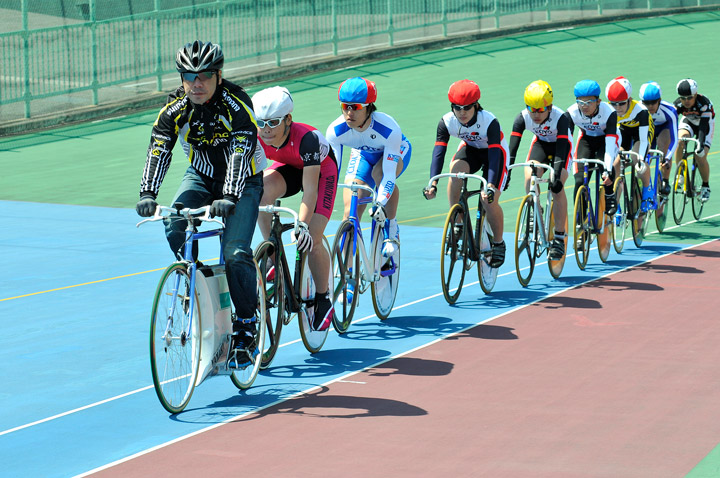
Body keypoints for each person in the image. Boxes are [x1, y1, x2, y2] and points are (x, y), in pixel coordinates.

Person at [136, 41, 266, 367]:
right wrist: (147, 193)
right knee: (173, 222)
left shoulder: (236, 105)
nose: (197, 83)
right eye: (189, 76)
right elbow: (159, 149)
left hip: (244, 180)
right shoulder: (174, 109)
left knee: (235, 252)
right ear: (181, 78)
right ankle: (198, 280)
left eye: (205, 75)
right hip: (201, 176)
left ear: (218, 76)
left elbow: (240, 152)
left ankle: (248, 326)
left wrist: (231, 196)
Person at [252, 86, 337, 331]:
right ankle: (272, 253)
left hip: (321, 172)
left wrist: (301, 225)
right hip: (289, 165)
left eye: (273, 122)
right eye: (261, 123)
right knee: (260, 194)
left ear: (288, 119)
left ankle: (323, 299)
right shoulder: (255, 136)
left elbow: (310, 190)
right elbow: (252, 177)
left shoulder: (307, 139)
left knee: (313, 236)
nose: (266, 129)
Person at [325, 76, 411, 305]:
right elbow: (331, 172)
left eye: (355, 108)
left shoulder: (388, 128)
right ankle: (349, 277)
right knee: (351, 206)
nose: (349, 113)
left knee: (379, 175)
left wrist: (380, 203)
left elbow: (389, 175)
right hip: (362, 154)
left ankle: (390, 229)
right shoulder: (336, 130)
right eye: (345, 107)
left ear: (369, 107)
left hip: (393, 153)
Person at [423, 79, 510, 268]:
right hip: (471, 150)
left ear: (476, 106)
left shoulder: (489, 121)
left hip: (494, 154)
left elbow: (494, 154)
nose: (462, 112)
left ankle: (498, 242)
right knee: (454, 172)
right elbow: (439, 152)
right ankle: (459, 223)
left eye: (467, 108)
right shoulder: (447, 122)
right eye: (457, 108)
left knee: (488, 199)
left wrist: (491, 185)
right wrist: (433, 183)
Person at [508, 80, 572, 260]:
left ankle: (559, 237)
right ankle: (536, 210)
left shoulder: (561, 118)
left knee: (556, 186)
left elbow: (561, 150)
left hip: (562, 148)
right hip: (541, 145)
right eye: (531, 109)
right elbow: (511, 150)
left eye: (540, 110)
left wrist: (556, 174)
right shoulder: (522, 118)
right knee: (529, 177)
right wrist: (507, 173)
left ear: (549, 107)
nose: (535, 114)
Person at [565, 79, 619, 214]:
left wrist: (607, 168)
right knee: (579, 180)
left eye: (589, 102)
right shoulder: (571, 113)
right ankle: (581, 216)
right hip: (586, 140)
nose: (584, 106)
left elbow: (610, 144)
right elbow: (567, 142)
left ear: (598, 101)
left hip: (606, 140)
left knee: (604, 169)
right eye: (581, 102)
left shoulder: (609, 112)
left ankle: (609, 195)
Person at [605, 76, 655, 212]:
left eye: (621, 103)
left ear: (630, 100)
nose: (617, 107)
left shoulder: (641, 111)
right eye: (613, 104)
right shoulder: (608, 110)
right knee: (615, 166)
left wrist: (641, 159)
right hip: (624, 132)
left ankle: (648, 191)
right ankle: (616, 204)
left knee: (636, 161)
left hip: (641, 133)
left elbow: (644, 140)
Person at [673, 78, 715, 202]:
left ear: (695, 95)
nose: (686, 101)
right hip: (689, 121)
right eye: (683, 98)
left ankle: (705, 185)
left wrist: (700, 145)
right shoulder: (678, 104)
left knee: (700, 156)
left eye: (689, 98)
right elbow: (672, 121)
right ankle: (680, 173)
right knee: (680, 141)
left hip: (705, 124)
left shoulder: (704, 104)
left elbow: (702, 127)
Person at [638, 81, 678, 197]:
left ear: (659, 100)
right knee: (645, 156)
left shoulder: (670, 111)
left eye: (653, 102)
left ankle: (665, 180)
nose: (650, 106)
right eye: (646, 103)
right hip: (648, 131)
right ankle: (644, 184)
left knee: (663, 146)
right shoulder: (638, 110)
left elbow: (675, 139)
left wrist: (667, 157)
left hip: (663, 129)